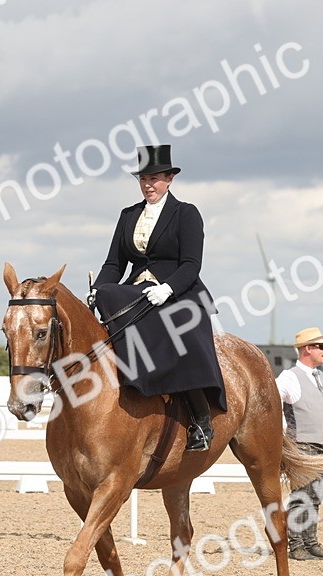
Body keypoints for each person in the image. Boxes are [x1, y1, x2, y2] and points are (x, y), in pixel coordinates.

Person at [88, 144, 224, 451]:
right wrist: (97, 288)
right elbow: (114, 264)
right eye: (144, 179)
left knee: (181, 336)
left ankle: (200, 420)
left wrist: (168, 289)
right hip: (138, 289)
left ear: (169, 179)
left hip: (179, 291)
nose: (149, 184)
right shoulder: (128, 215)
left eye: (155, 178)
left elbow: (191, 264)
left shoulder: (186, 213)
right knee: (109, 294)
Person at [276, 327, 323, 561]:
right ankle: (296, 545)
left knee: (315, 498)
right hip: (302, 446)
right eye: (321, 346)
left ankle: (311, 542)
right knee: (300, 498)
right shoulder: (289, 376)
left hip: (322, 447)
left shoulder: (321, 377)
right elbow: (272, 399)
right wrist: (282, 432)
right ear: (308, 349)